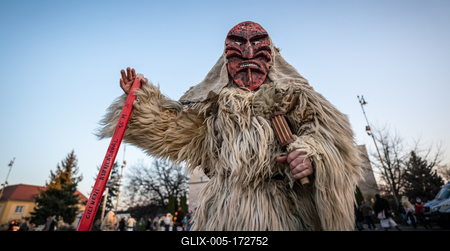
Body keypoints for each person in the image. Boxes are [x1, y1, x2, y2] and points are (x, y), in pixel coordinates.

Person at [97, 21, 364, 231]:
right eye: (238, 47)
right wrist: (142, 99)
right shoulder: (215, 110)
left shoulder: (294, 98)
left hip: (282, 211)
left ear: (271, 58)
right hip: (225, 213)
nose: (248, 52)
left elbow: (333, 139)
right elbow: (173, 128)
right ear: (226, 63)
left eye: (257, 46)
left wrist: (312, 155)